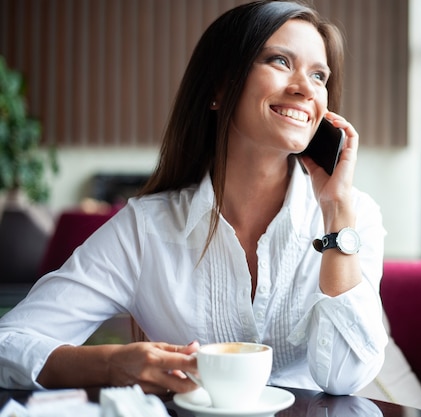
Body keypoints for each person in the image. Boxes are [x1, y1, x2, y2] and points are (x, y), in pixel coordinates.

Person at [0, 0, 387, 397]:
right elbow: (9, 341)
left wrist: (337, 212)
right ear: (219, 88)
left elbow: (345, 378)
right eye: (280, 61)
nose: (306, 88)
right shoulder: (146, 228)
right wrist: (113, 364)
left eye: (319, 75)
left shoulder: (355, 219)